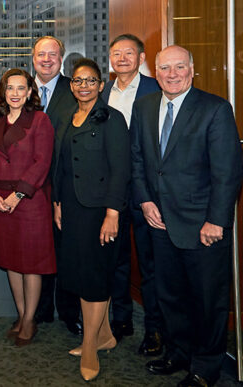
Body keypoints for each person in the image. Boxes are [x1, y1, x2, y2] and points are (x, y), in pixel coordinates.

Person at [133, 45, 243, 387]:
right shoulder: (145, 106)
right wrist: (146, 202)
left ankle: (205, 368)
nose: (171, 74)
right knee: (170, 295)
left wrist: (217, 221)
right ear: (155, 70)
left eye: (179, 67)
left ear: (192, 69)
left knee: (207, 301)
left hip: (202, 226)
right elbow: (138, 160)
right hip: (160, 222)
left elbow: (228, 172)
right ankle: (178, 352)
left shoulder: (214, 109)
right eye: (164, 68)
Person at [52, 58, 130, 381]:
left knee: (94, 276)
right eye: (78, 81)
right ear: (71, 86)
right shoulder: (68, 117)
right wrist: (57, 202)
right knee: (80, 271)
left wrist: (113, 213)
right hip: (70, 207)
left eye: (91, 81)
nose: (83, 86)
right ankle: (105, 335)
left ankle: (89, 347)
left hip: (99, 210)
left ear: (101, 84)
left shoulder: (112, 118)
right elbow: (61, 163)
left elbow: (121, 169)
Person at [0, 68, 55, 347]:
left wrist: (17, 195)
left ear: (29, 92)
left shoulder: (40, 120)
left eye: (20, 88)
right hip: (1, 200)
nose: (14, 94)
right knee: (12, 260)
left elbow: (42, 162)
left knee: (31, 263)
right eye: (9, 88)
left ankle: (29, 320)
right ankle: (22, 314)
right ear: (3, 92)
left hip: (30, 201)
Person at [100, 34, 163, 355]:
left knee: (152, 264)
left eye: (128, 53)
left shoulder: (157, 88)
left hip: (147, 191)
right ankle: (121, 319)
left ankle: (155, 329)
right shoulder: (103, 91)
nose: (122, 58)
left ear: (140, 57)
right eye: (116, 53)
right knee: (116, 258)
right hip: (113, 190)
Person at [31, 35, 82, 336]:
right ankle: (40, 309)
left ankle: (68, 311)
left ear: (61, 58)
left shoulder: (74, 89)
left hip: (65, 185)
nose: (47, 59)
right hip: (32, 189)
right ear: (33, 58)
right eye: (41, 54)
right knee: (39, 247)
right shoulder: (20, 90)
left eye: (53, 54)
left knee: (65, 250)